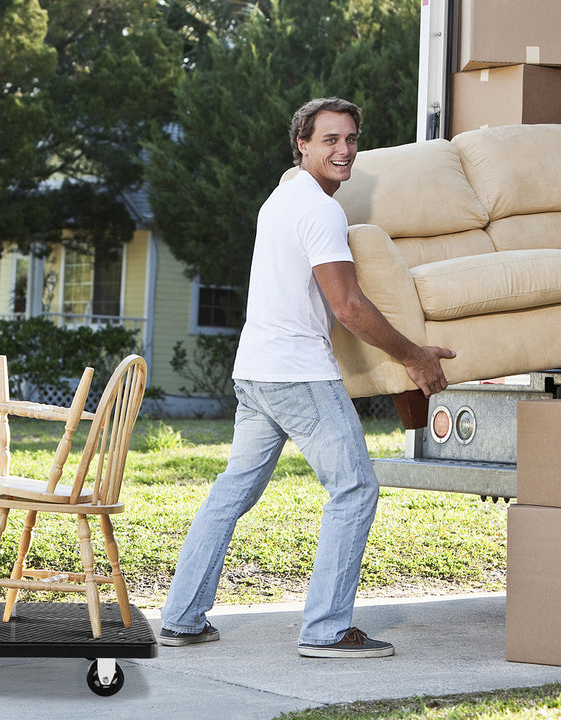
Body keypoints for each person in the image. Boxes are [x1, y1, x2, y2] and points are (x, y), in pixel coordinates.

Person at [159, 97, 455, 658]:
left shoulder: (281, 198)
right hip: (297, 375)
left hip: (255, 372)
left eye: (350, 139)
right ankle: (325, 630)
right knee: (355, 488)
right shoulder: (320, 211)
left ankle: (182, 618)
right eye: (330, 140)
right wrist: (414, 356)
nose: (343, 150)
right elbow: (348, 306)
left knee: (230, 494)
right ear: (302, 143)